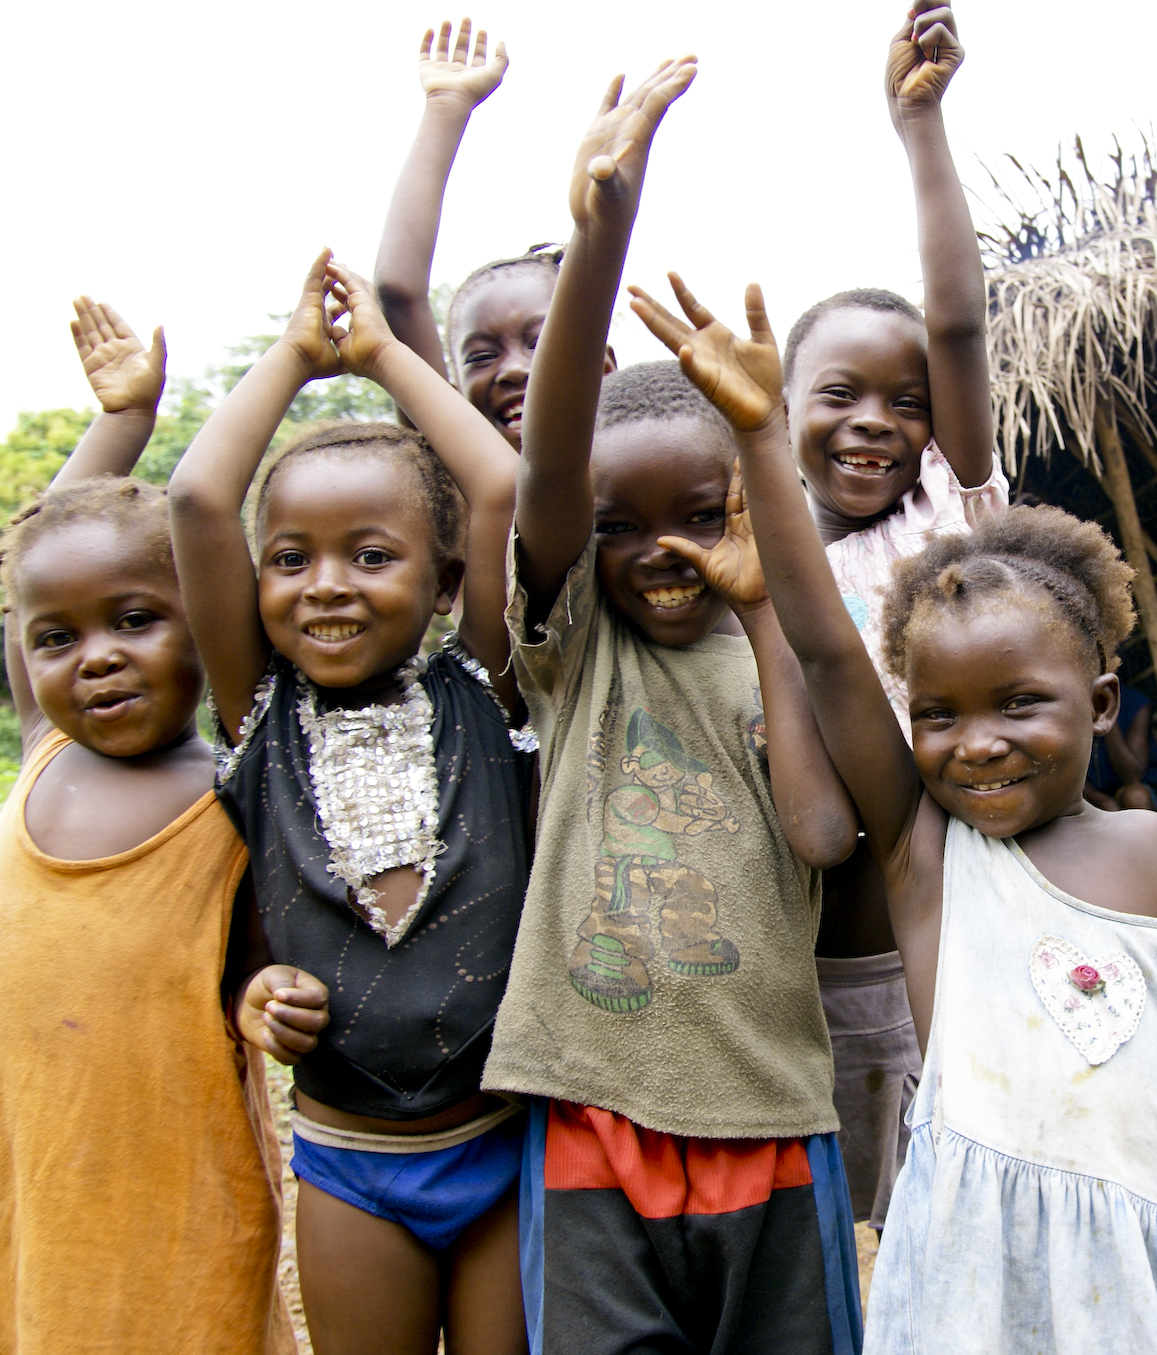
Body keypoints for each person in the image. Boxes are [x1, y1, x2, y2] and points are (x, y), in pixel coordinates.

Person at [635, 264, 1157, 1351]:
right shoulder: (926, 854)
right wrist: (757, 442)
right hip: (963, 1285)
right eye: (937, 715)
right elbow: (827, 645)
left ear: (1100, 702)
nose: (976, 743)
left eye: (1019, 704)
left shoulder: (1146, 852)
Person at [481, 57, 864, 1355]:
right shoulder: (577, 649)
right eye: (619, 525)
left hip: (769, 1110)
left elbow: (820, 834)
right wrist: (602, 231)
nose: (661, 550)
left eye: (700, 517)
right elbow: (544, 463)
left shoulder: (796, 649)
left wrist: (762, 603)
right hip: (596, 1105)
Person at [168, 251, 535, 1355]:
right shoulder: (258, 716)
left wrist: (382, 357)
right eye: (288, 559)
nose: (323, 582)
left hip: (508, 1144)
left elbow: (500, 488)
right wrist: (291, 357)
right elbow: (193, 497)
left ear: (445, 581)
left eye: (370, 555)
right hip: (352, 1163)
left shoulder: (485, 689)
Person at [0, 297, 293, 1353]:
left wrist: (263, 999)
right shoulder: (44, 745)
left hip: (178, 1183)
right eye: (56, 638)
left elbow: (251, 971)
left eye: (135, 619)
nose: (95, 656)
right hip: (37, 1172)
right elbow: (39, 560)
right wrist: (124, 417)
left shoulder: (233, 789)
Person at [785, 0, 1002, 1233]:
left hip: (946, 958)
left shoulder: (947, 516)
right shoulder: (747, 557)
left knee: (945, 1232)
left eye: (903, 399)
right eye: (839, 392)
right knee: (824, 1251)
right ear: (776, 407)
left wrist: (917, 125)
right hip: (793, 977)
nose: (875, 418)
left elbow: (959, 321)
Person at [373, 18, 613, 451]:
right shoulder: (465, 480)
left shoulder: (648, 473)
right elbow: (398, 293)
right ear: (454, 387)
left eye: (539, 343)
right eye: (482, 356)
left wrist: (608, 212)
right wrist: (446, 105)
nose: (513, 370)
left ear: (606, 367)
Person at [1085, 677, 1157, 811]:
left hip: (1131, 790)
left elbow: (1132, 777)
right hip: (1089, 796)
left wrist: (1107, 717)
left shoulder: (1135, 703)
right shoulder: (1070, 700)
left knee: (1136, 796)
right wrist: (1102, 799)